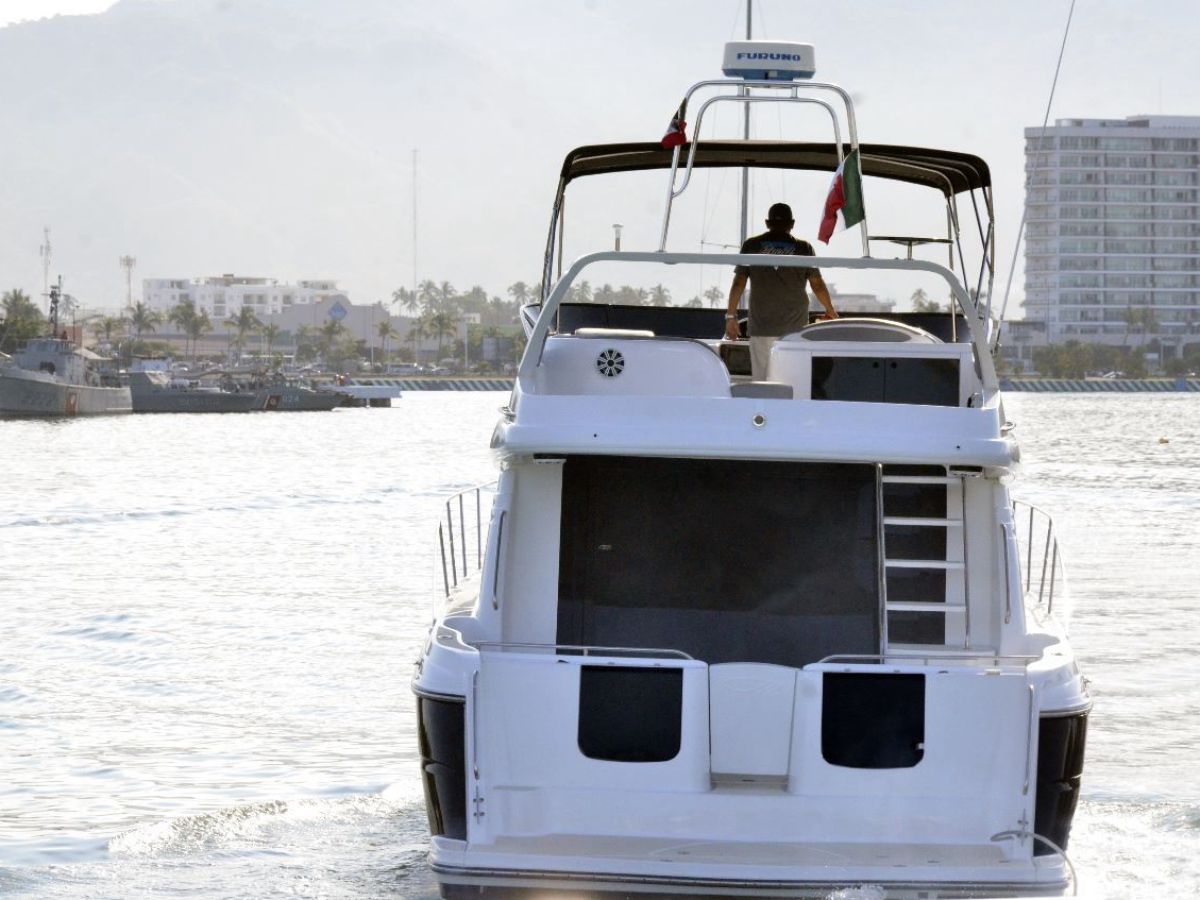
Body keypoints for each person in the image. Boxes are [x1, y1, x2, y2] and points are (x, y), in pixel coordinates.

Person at [724, 202, 838, 379]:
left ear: (767, 223)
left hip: (762, 328)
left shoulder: (751, 246)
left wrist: (731, 317)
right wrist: (830, 310)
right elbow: (817, 284)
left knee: (762, 381)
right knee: (791, 381)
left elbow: (739, 282)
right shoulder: (804, 249)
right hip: (795, 331)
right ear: (791, 224)